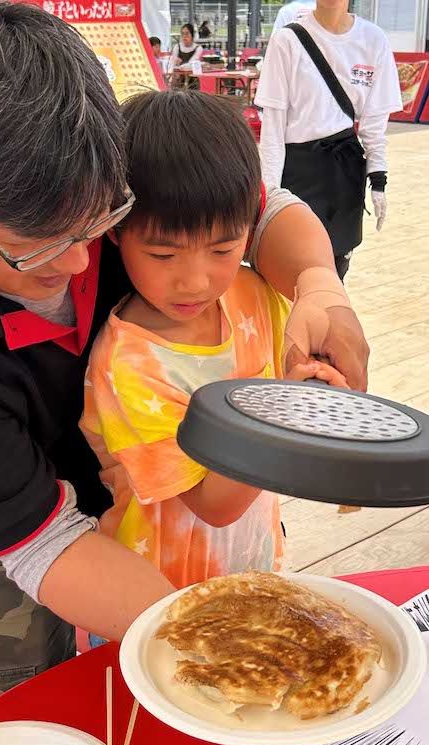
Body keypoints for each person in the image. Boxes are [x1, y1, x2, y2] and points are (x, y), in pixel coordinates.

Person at [0, 1, 369, 717]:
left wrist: (320, 285)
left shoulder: (92, 149)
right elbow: (42, 544)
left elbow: (257, 206)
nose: (79, 263)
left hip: (137, 486)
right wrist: (218, 639)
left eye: (101, 220)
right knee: (20, 681)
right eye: (37, 244)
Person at [81, 91, 345, 590]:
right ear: (116, 231)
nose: (196, 281)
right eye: (163, 255)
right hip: (160, 586)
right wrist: (291, 406)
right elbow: (213, 505)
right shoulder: (129, 363)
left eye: (224, 248)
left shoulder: (255, 295)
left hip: (253, 560)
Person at [257, 0, 402, 281]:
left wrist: (379, 179)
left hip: (344, 173)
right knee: (290, 269)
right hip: (297, 172)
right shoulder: (287, 39)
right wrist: (269, 195)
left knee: (335, 271)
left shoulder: (373, 40)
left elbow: (373, 126)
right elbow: (273, 129)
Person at [170, 23, 203, 88]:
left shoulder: (198, 48)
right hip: (179, 80)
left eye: (187, 33)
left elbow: (192, 63)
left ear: (192, 35)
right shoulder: (177, 47)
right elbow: (172, 63)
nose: (184, 36)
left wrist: (181, 65)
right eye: (182, 34)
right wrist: (175, 62)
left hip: (192, 80)